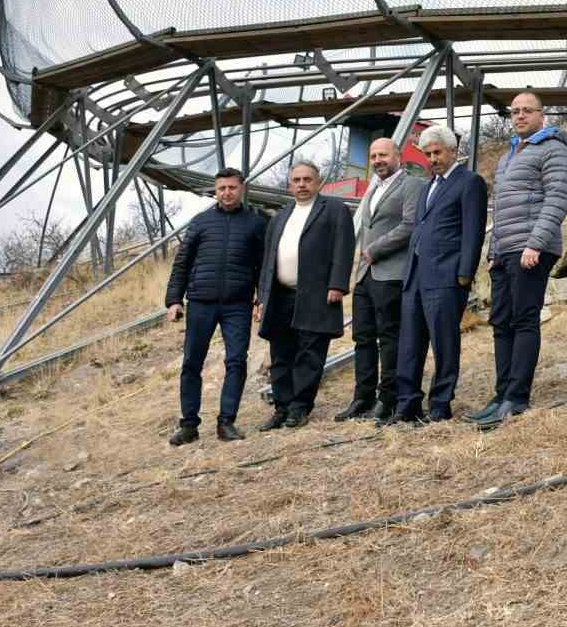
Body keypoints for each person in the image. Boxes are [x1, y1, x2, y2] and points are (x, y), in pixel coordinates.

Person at [471, 91, 567, 430]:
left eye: (526, 111)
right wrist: (492, 251)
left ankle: (517, 397)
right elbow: (500, 211)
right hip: (504, 251)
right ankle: (501, 394)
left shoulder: (554, 148)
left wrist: (535, 244)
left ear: (541, 115)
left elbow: (557, 199)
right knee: (501, 322)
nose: (519, 116)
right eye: (514, 112)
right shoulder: (508, 157)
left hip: (532, 249)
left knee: (524, 319)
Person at [386, 125, 486, 427]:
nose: (432, 158)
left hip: (446, 277)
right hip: (415, 277)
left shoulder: (469, 182)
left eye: (437, 152)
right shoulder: (428, 185)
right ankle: (407, 405)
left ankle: (440, 405)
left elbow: (473, 231)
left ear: (452, 150)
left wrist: (464, 274)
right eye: (427, 154)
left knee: (444, 343)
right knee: (410, 344)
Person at [163, 168, 267, 445]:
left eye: (232, 187)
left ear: (241, 189)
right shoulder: (200, 223)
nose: (227, 193)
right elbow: (182, 263)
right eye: (221, 188)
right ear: (215, 190)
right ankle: (188, 425)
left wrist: (261, 298)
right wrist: (174, 300)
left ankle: (226, 422)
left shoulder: (256, 224)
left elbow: (263, 267)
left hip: (238, 305)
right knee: (191, 363)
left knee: (236, 361)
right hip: (200, 303)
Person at [254, 160, 355, 430]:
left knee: (309, 355)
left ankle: (299, 408)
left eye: (307, 179)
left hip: (316, 295)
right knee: (281, 354)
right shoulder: (280, 217)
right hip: (280, 296)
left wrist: (337, 285)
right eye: (296, 180)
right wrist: (261, 298)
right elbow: (268, 261)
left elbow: (343, 250)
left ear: (318, 182)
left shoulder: (334, 210)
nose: (301, 184)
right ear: (290, 184)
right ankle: (282, 408)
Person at [335, 137, 426, 423]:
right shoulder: (373, 187)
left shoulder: (412, 184)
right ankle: (362, 398)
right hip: (365, 275)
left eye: (383, 155)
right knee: (362, 338)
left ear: (397, 156)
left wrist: (375, 249)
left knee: (389, 338)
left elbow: (410, 225)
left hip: (390, 273)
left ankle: (388, 397)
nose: (377, 161)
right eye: (373, 156)